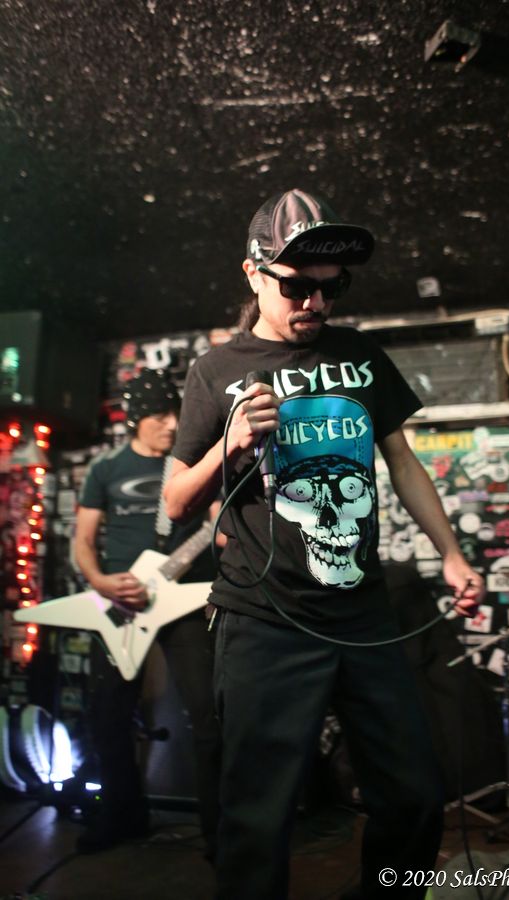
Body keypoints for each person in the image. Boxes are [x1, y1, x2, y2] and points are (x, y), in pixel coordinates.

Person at [164, 188, 484, 899]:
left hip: (363, 614)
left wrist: (452, 554)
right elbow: (176, 500)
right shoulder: (215, 371)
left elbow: (402, 463)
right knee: (257, 820)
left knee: (414, 796)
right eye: (296, 287)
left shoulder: (359, 355)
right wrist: (228, 444)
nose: (314, 303)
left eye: (331, 288)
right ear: (253, 274)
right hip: (264, 618)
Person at [74, 369, 221, 857]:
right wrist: (100, 581)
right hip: (121, 606)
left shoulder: (192, 464)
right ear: (136, 418)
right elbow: (83, 541)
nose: (172, 423)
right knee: (107, 715)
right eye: (160, 415)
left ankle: (220, 830)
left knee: (209, 714)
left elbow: (220, 528)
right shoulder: (106, 469)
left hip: (184, 602)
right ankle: (124, 816)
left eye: (175, 413)